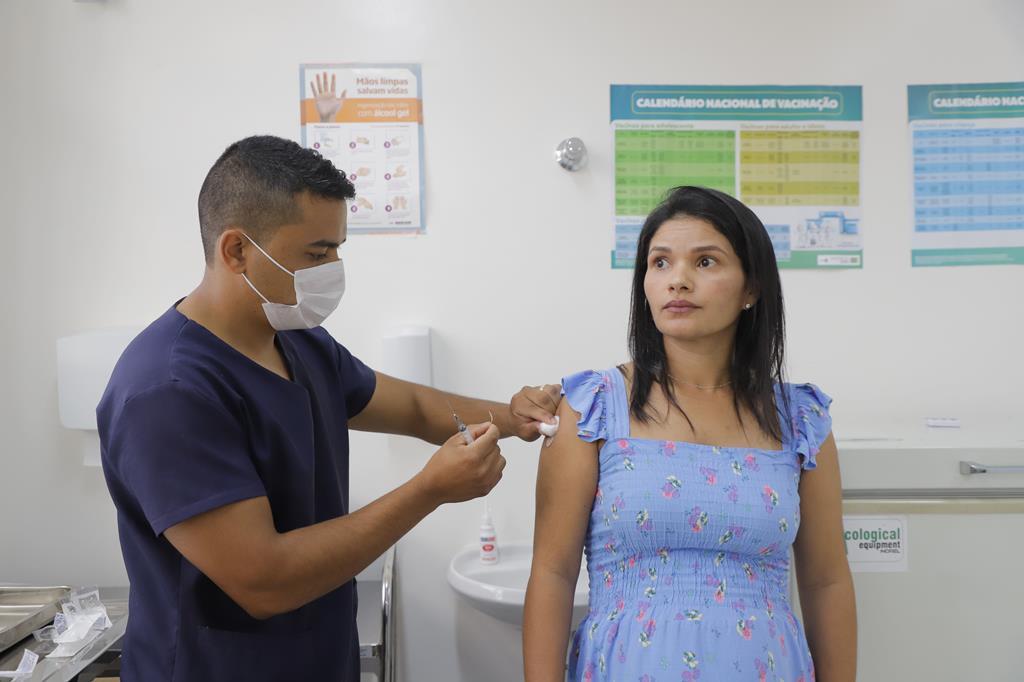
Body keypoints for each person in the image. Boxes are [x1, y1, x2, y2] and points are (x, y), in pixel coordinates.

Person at [97, 135, 559, 681]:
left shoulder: (296, 338)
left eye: (338, 248)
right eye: (317, 253)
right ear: (236, 250)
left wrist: (513, 417)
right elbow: (265, 580)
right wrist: (430, 489)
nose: (333, 268)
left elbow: (411, 406)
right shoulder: (168, 391)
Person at [523, 186, 856, 681]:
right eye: (660, 263)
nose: (677, 280)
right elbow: (552, 575)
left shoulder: (800, 421)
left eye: (705, 263)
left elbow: (827, 581)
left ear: (751, 289)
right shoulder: (593, 408)